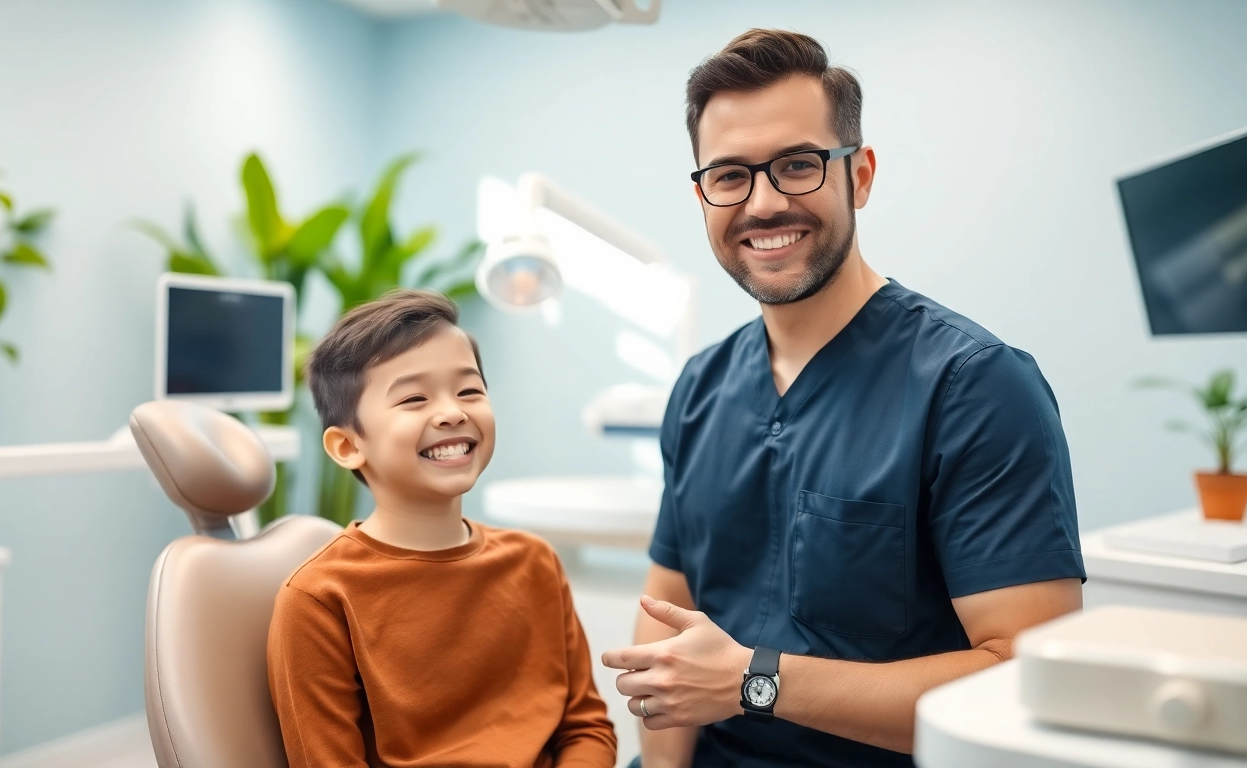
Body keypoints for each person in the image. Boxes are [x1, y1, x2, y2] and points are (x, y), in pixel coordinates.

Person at [601, 29, 1086, 767]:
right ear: (702, 195)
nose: (762, 204)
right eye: (730, 176)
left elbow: (1021, 676)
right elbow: (666, 628)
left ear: (859, 176)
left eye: (797, 166)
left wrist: (755, 682)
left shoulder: (975, 388)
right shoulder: (701, 387)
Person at [268, 289, 617, 768]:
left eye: (470, 391)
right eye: (414, 398)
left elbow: (586, 728)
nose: (453, 412)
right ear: (348, 446)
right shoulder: (319, 601)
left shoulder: (534, 562)